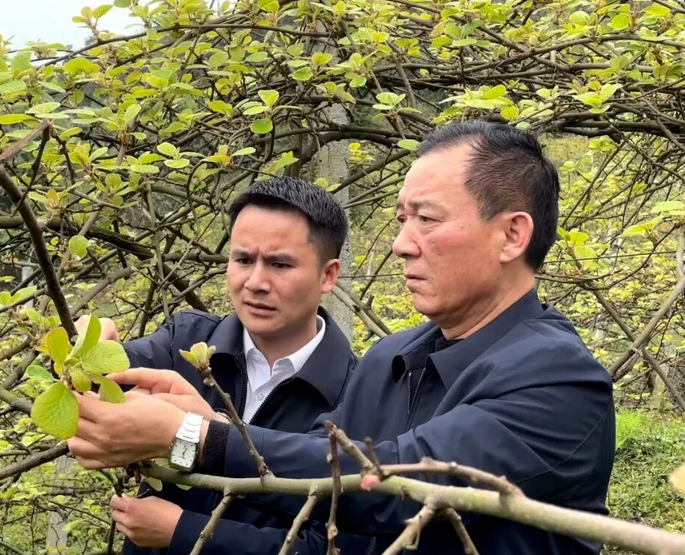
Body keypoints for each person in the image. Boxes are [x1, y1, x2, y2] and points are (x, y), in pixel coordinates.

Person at [68, 121, 616, 554]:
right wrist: (195, 430)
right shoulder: (388, 359)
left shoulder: (560, 379)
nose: (401, 244)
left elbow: (395, 492)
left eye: (425, 219)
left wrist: (189, 435)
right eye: (401, 220)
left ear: (512, 234)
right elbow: (315, 511)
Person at [77, 177, 362, 554]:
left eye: (280, 264)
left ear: (328, 275)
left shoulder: (355, 394)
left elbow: (332, 541)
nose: (256, 282)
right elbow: (104, 391)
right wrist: (88, 357)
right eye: (243, 259)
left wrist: (184, 531)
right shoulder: (187, 343)